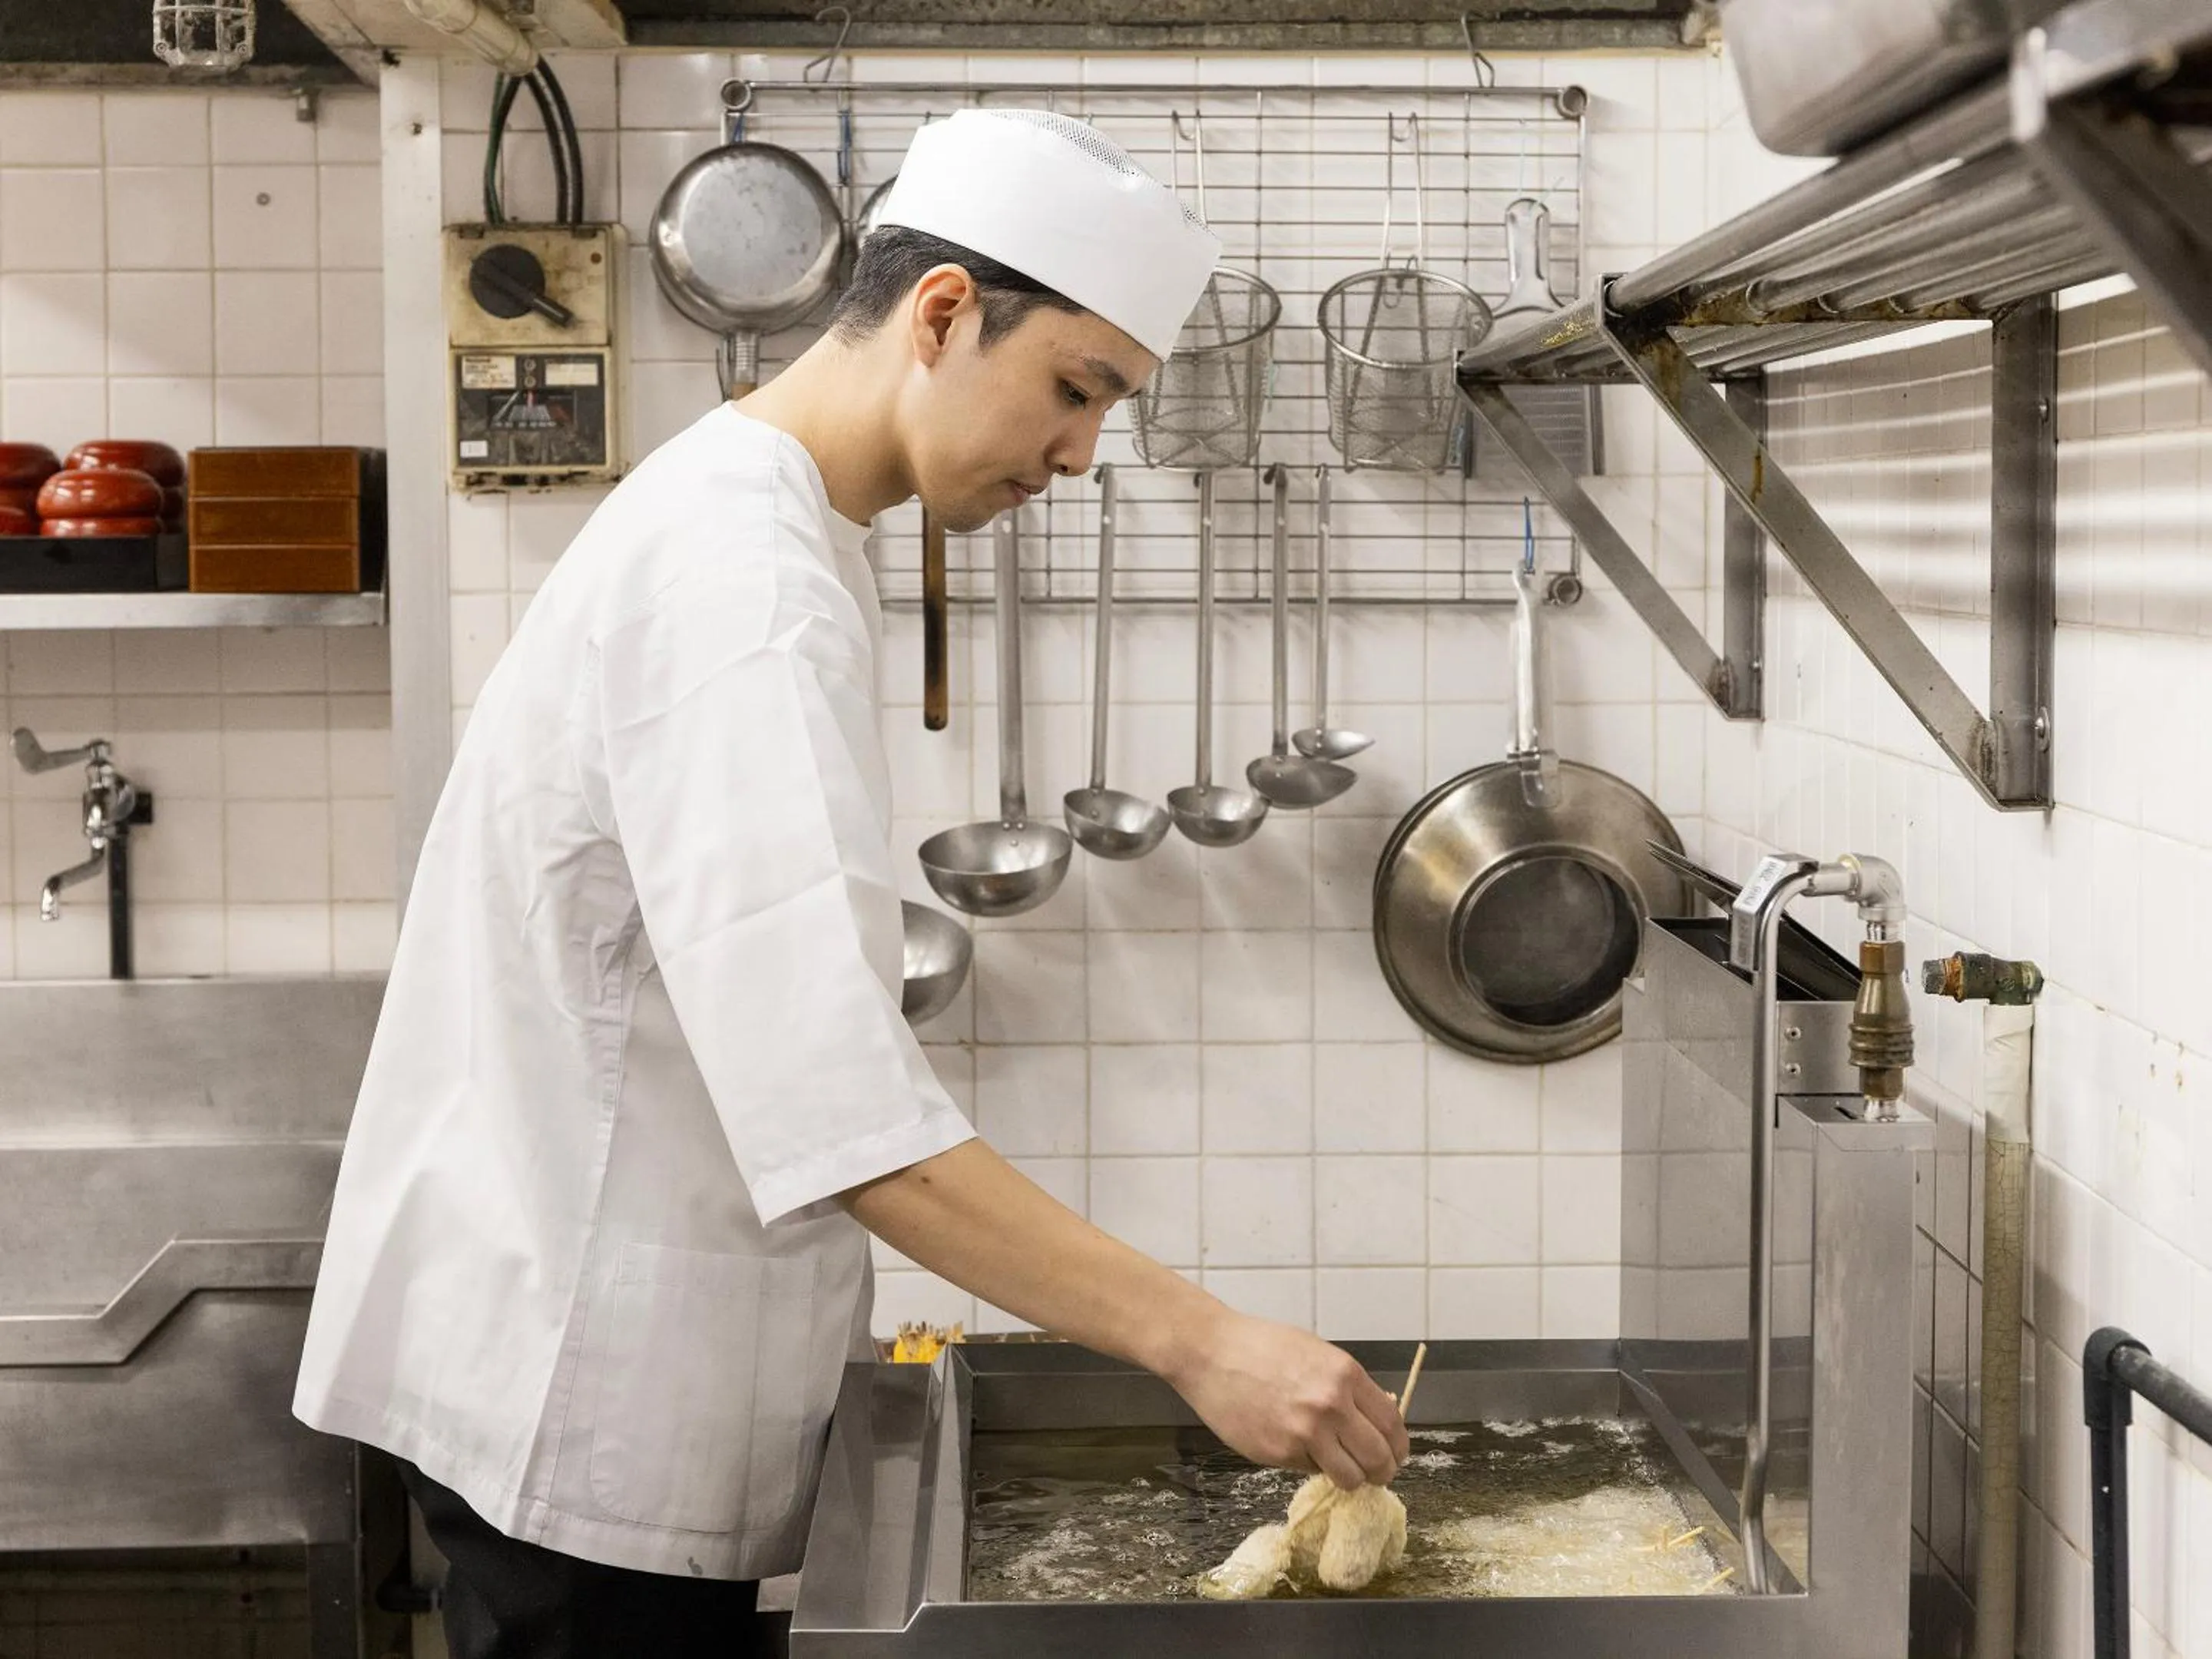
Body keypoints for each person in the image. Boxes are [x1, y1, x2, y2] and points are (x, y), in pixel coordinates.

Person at [294, 108, 1407, 1658]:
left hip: (606, 1354)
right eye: (1076, 391)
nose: (1083, 455)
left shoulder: (777, 525)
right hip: (585, 1391)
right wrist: (1206, 1343)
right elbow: (834, 1111)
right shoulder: (739, 578)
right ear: (943, 312)